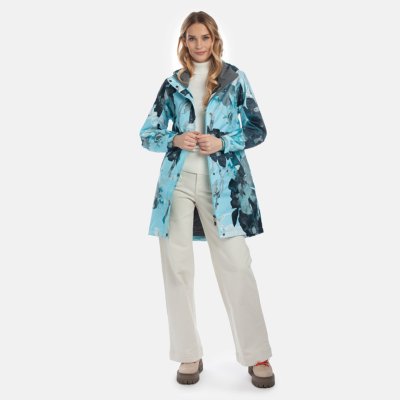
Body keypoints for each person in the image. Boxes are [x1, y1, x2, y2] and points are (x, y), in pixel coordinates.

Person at [139, 11, 275, 389]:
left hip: (224, 187)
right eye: (192, 38)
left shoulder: (234, 79)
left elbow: (257, 129)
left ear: (214, 40)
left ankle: (256, 354)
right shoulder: (172, 84)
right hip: (177, 183)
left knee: (236, 265)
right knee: (177, 267)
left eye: (205, 38)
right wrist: (173, 138)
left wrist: (223, 142)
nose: (199, 45)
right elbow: (148, 133)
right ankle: (189, 353)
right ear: (183, 41)